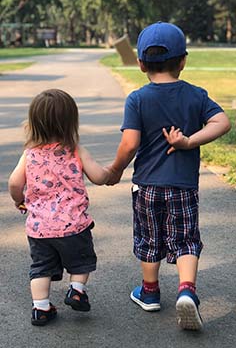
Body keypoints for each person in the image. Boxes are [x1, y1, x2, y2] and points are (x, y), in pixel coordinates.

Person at [107, 22, 231, 330]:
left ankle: (150, 292)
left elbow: (130, 143)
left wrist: (116, 169)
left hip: (147, 186)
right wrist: (188, 141)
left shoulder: (137, 99)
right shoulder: (196, 95)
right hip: (184, 187)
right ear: (183, 60)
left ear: (140, 64)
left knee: (150, 239)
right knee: (186, 240)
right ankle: (186, 290)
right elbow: (222, 122)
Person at [8, 89, 110, 326]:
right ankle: (76, 290)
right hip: (74, 226)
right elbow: (98, 176)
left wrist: (18, 199)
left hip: (39, 230)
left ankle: (41, 308)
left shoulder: (30, 154)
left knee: (41, 268)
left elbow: (14, 182)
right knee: (81, 262)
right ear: (71, 122)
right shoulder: (76, 150)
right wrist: (110, 173)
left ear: (33, 123)